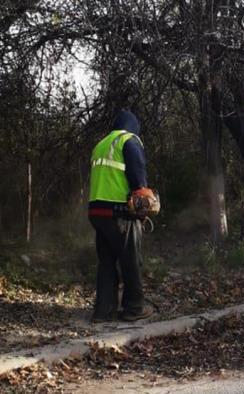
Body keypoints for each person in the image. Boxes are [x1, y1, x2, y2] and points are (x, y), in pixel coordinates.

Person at [87, 109, 155, 323]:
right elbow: (137, 175)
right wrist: (143, 203)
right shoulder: (129, 140)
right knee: (131, 260)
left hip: (97, 212)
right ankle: (134, 308)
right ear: (133, 127)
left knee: (106, 262)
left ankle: (103, 311)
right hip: (120, 213)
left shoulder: (101, 144)